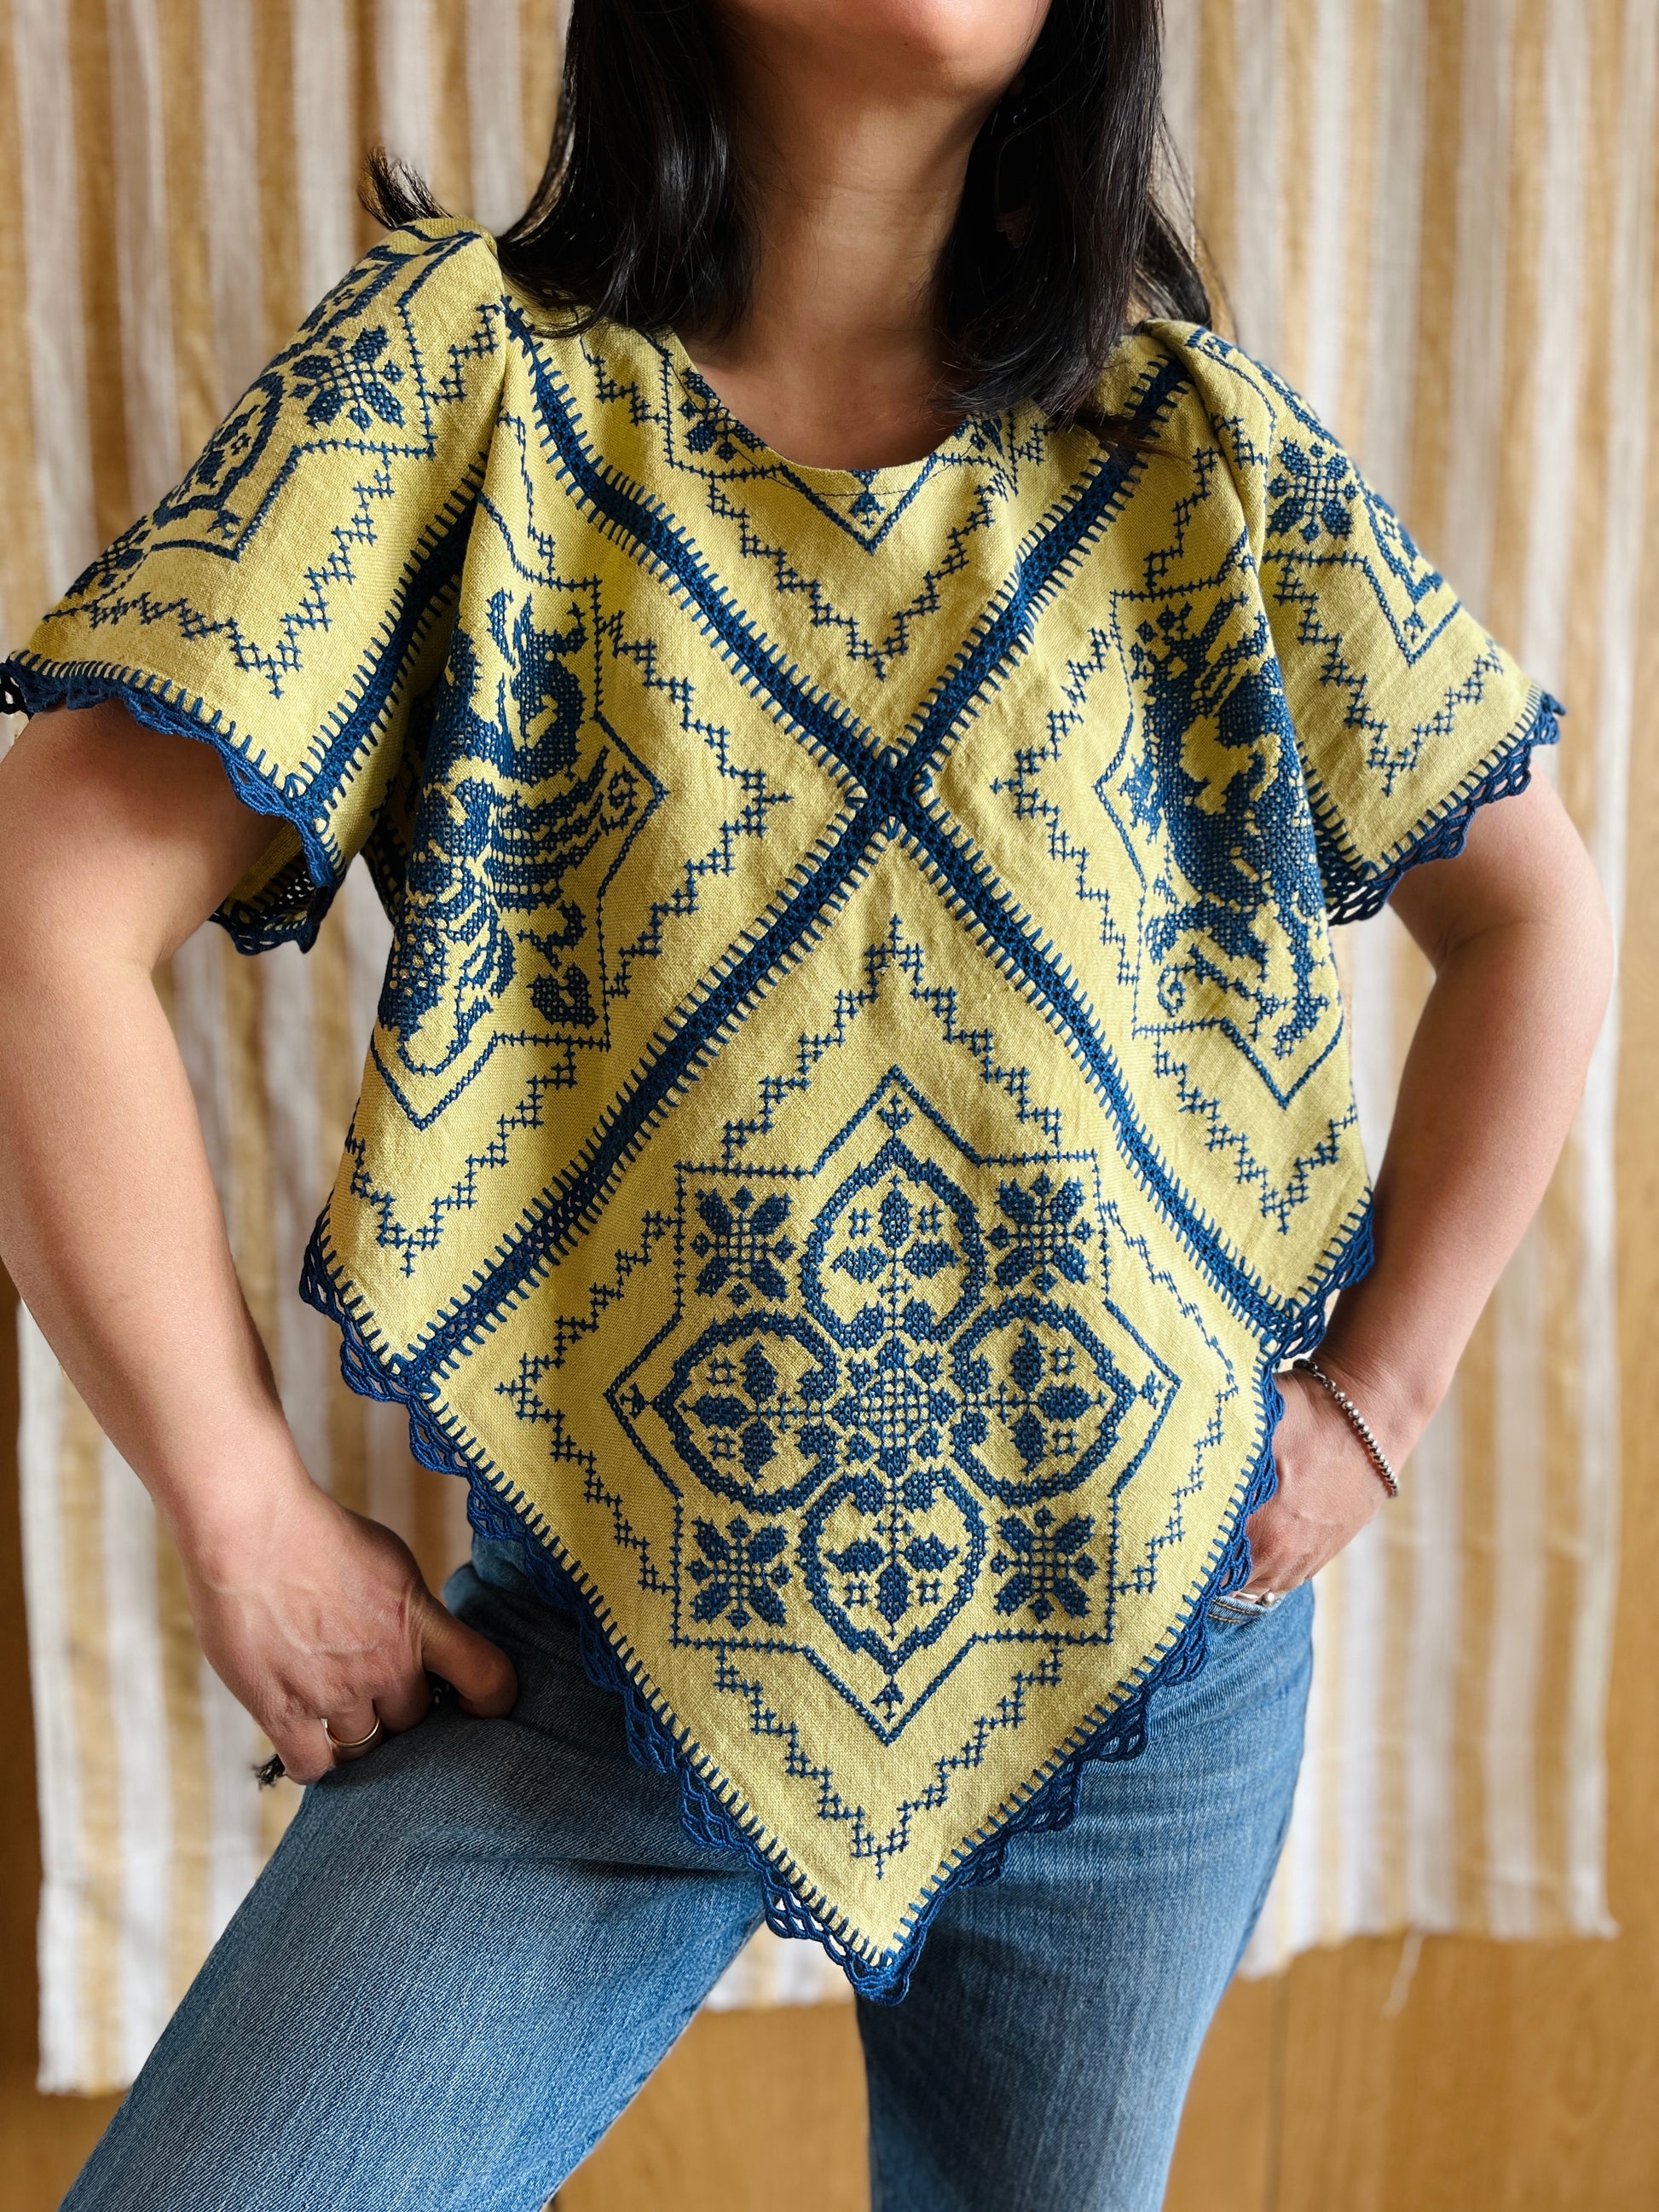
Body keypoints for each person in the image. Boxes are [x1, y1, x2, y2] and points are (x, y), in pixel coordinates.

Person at [0, 2, 1613, 2207]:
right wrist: (237, 1504)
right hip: (590, 1644)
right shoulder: (457, 387)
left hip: (1153, 1653)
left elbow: (1536, 918)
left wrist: (1378, 1398)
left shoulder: (1197, 456)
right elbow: (39, 915)